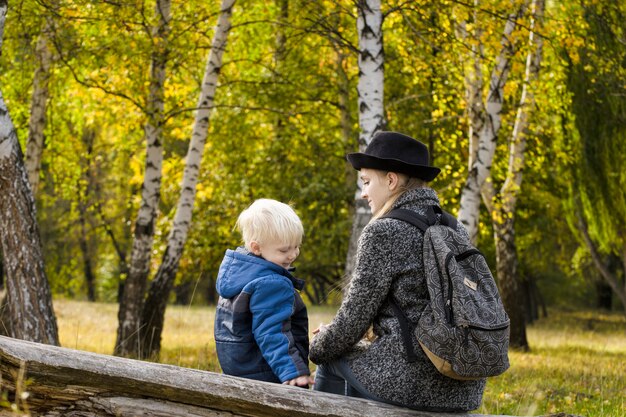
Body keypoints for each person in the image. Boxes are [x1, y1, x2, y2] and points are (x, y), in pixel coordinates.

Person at [309, 131, 486, 411]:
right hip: (463, 382)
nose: (364, 192)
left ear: (391, 181)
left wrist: (318, 345)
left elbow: (353, 320)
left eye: (367, 182)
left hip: (413, 382)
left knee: (330, 357)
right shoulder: (455, 228)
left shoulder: (384, 231)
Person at [214, 198, 313, 387]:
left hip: (239, 369)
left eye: (296, 246)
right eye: (285, 250)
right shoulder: (272, 283)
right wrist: (292, 372)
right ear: (256, 247)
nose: (293, 255)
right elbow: (272, 332)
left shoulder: (238, 275)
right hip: (269, 373)